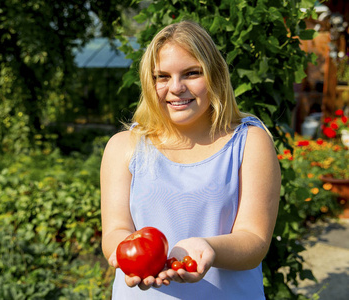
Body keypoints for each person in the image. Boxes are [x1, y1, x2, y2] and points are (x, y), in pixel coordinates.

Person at [100, 20, 281, 299]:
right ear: (150, 82)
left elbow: (255, 242)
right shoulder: (124, 146)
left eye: (191, 73)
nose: (176, 87)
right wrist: (126, 253)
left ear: (215, 76)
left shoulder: (250, 142)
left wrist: (209, 248)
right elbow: (115, 230)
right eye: (162, 76)